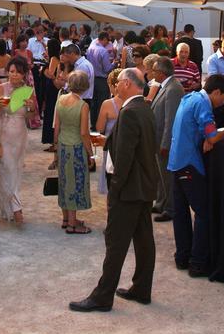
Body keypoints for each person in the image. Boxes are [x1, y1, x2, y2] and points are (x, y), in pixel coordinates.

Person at [69, 68, 158, 313]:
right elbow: (138, 145)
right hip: (144, 186)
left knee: (116, 242)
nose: (115, 85)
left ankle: (103, 295)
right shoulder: (145, 107)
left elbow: (126, 157)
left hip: (128, 189)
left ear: (128, 84)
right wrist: (108, 142)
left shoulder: (130, 111)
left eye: (118, 82)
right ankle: (141, 288)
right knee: (143, 239)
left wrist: (116, 188)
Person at [168, 74, 224, 276]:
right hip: (189, 162)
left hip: (175, 161)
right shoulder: (203, 104)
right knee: (203, 212)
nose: (222, 102)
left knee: (180, 212)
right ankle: (197, 262)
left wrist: (206, 138)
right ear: (215, 92)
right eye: (223, 97)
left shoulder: (190, 98)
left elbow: (201, 132)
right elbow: (213, 136)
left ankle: (183, 256)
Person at [0, 56, 36, 224]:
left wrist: (30, 107)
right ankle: (17, 209)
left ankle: (10, 206)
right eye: (12, 71)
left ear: (24, 75)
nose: (14, 75)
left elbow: (30, 117)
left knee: (15, 169)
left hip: (19, 135)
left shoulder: (28, 90)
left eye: (18, 72)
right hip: (1, 131)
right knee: (5, 168)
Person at [54, 70, 93, 234]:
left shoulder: (61, 99)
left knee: (64, 181)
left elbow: (57, 127)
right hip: (76, 147)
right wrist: (90, 153)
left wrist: (55, 147)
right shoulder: (83, 106)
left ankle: (66, 219)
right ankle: (72, 223)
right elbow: (84, 132)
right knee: (75, 183)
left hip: (63, 145)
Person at [150, 56, 184, 223]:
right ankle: (161, 202)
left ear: (162, 73)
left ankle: (170, 208)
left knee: (168, 176)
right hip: (158, 139)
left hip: (165, 141)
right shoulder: (166, 86)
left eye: (155, 70)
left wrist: (165, 143)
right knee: (161, 174)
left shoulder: (173, 89)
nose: (152, 73)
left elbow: (170, 120)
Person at [95, 69, 121, 195]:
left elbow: (99, 127)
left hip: (110, 147)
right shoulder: (133, 101)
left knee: (109, 182)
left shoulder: (107, 104)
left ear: (112, 85)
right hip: (125, 147)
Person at [86, 32, 114, 130]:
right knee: (101, 103)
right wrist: (114, 63)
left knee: (93, 103)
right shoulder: (103, 51)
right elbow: (107, 68)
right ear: (104, 39)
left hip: (92, 78)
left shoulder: (90, 48)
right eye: (107, 40)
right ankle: (100, 125)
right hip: (102, 79)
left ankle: (93, 124)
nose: (108, 43)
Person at [41, 35, 62, 151]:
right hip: (52, 90)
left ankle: (53, 142)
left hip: (52, 90)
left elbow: (50, 73)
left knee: (50, 114)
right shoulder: (55, 58)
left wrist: (43, 70)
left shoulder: (54, 58)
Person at [60, 44, 94, 111]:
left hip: (81, 99)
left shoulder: (83, 66)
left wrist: (66, 78)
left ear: (72, 54)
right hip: (80, 98)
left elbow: (77, 84)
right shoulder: (80, 64)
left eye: (67, 56)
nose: (68, 59)